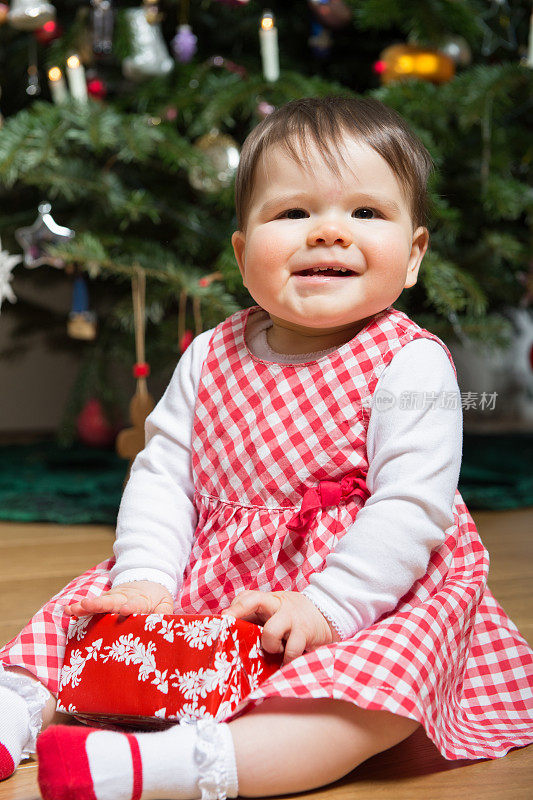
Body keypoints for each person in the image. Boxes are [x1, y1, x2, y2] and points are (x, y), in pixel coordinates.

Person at [1, 96, 532, 800]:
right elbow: (163, 477)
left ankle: (178, 767)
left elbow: (410, 508)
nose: (329, 234)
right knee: (85, 621)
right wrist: (148, 582)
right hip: (206, 572)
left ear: (412, 256)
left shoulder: (410, 366)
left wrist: (326, 606)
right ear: (244, 253)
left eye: (365, 214)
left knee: (365, 707)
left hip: (364, 592)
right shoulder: (210, 355)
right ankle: (18, 709)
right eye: (293, 214)